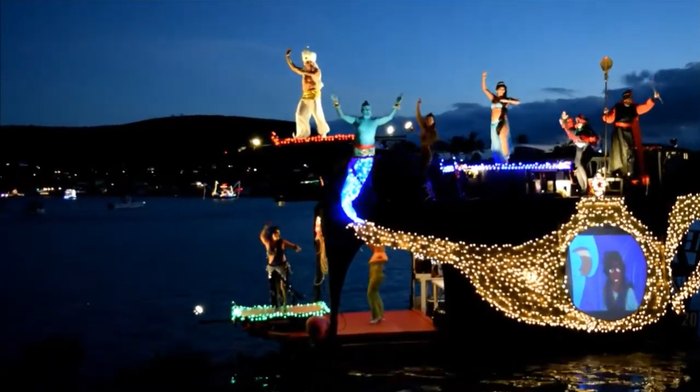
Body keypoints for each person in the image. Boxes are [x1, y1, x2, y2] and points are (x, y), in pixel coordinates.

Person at [331, 94, 402, 223]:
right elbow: (342, 116)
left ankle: (359, 213)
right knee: (351, 185)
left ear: (371, 110)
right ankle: (350, 211)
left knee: (362, 183)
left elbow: (390, 117)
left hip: (368, 158)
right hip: (357, 157)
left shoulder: (375, 121)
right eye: (364, 109)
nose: (367, 111)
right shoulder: (357, 121)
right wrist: (337, 104)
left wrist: (396, 105)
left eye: (368, 109)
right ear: (361, 111)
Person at [602, 88, 660, 181]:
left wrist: (653, 99)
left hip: (628, 132)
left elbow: (645, 107)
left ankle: (629, 172)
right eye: (627, 98)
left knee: (629, 151)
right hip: (618, 133)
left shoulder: (634, 107)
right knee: (618, 153)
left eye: (630, 98)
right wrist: (605, 115)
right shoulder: (617, 107)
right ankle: (618, 171)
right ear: (624, 98)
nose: (629, 99)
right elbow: (609, 119)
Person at [285, 47, 330, 138]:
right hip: (305, 95)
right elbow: (293, 68)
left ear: (312, 62)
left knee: (317, 114)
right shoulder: (304, 71)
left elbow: (314, 76)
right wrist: (288, 57)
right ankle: (302, 134)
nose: (305, 64)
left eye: (307, 62)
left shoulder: (317, 71)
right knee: (300, 114)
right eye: (305, 62)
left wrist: (303, 72)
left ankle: (323, 132)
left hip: (314, 95)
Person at [259, 224, 302, 308]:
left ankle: (285, 303)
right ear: (272, 234)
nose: (278, 235)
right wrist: (265, 228)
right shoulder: (268, 242)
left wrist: (296, 247)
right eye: (276, 233)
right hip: (272, 267)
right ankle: (275, 305)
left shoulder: (282, 242)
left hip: (282, 267)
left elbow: (292, 245)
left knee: (284, 285)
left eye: (279, 233)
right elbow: (261, 236)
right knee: (273, 287)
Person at [481, 72, 520, 163]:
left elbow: (518, 102)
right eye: (501, 89)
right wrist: (483, 78)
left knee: (503, 139)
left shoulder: (507, 100)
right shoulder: (493, 98)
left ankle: (506, 160)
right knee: (496, 144)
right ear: (496, 90)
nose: (502, 91)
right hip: (493, 123)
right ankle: (500, 162)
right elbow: (484, 89)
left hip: (502, 121)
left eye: (504, 90)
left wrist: (506, 100)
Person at [558, 111, 599, 194]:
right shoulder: (576, 128)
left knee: (580, 163)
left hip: (586, 147)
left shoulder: (587, 129)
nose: (578, 122)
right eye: (578, 121)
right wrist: (565, 119)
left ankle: (585, 186)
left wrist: (586, 139)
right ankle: (582, 187)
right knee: (577, 164)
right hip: (578, 146)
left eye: (580, 121)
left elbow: (593, 138)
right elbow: (569, 129)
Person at [416, 98, 438, 199]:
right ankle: (426, 193)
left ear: (433, 121)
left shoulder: (433, 132)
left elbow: (428, 142)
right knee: (421, 173)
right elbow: (418, 116)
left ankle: (430, 193)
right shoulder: (424, 128)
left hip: (428, 154)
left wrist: (423, 136)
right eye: (427, 119)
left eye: (431, 119)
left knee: (424, 173)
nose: (429, 121)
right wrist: (418, 105)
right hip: (422, 152)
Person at [367, 244, 388, 324]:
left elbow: (383, 259)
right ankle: (380, 315)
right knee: (374, 293)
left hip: (376, 275)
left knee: (370, 294)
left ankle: (376, 316)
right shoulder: (377, 253)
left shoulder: (380, 253)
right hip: (376, 274)